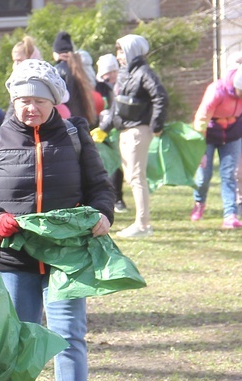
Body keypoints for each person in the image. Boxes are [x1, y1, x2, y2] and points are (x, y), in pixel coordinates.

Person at [0, 59, 115, 381]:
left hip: (67, 259)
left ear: (54, 102)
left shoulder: (75, 137)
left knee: (68, 336)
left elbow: (101, 187)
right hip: (15, 260)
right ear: (13, 100)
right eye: (23, 100)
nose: (30, 108)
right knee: (21, 335)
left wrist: (103, 213)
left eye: (39, 101)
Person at [100, 34, 168, 239]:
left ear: (131, 51)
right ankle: (141, 222)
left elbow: (160, 96)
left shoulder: (143, 72)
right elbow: (117, 105)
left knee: (137, 177)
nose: (118, 56)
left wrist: (156, 124)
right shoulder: (125, 73)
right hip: (125, 131)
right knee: (131, 177)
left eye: (121, 51)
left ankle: (143, 224)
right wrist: (104, 127)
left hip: (138, 130)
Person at [190, 65, 242, 228]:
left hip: (232, 134)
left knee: (229, 174)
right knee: (204, 175)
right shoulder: (217, 90)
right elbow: (201, 119)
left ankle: (230, 215)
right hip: (209, 134)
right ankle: (199, 202)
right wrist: (200, 151)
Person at [96, 53, 128, 213]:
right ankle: (111, 198)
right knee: (107, 165)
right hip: (102, 130)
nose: (113, 75)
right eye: (109, 72)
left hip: (117, 129)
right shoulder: (98, 87)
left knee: (118, 166)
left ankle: (119, 198)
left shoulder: (121, 85)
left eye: (115, 71)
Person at [52, 32, 96, 126]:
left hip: (68, 123)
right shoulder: (79, 68)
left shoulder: (58, 70)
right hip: (81, 121)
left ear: (57, 53)